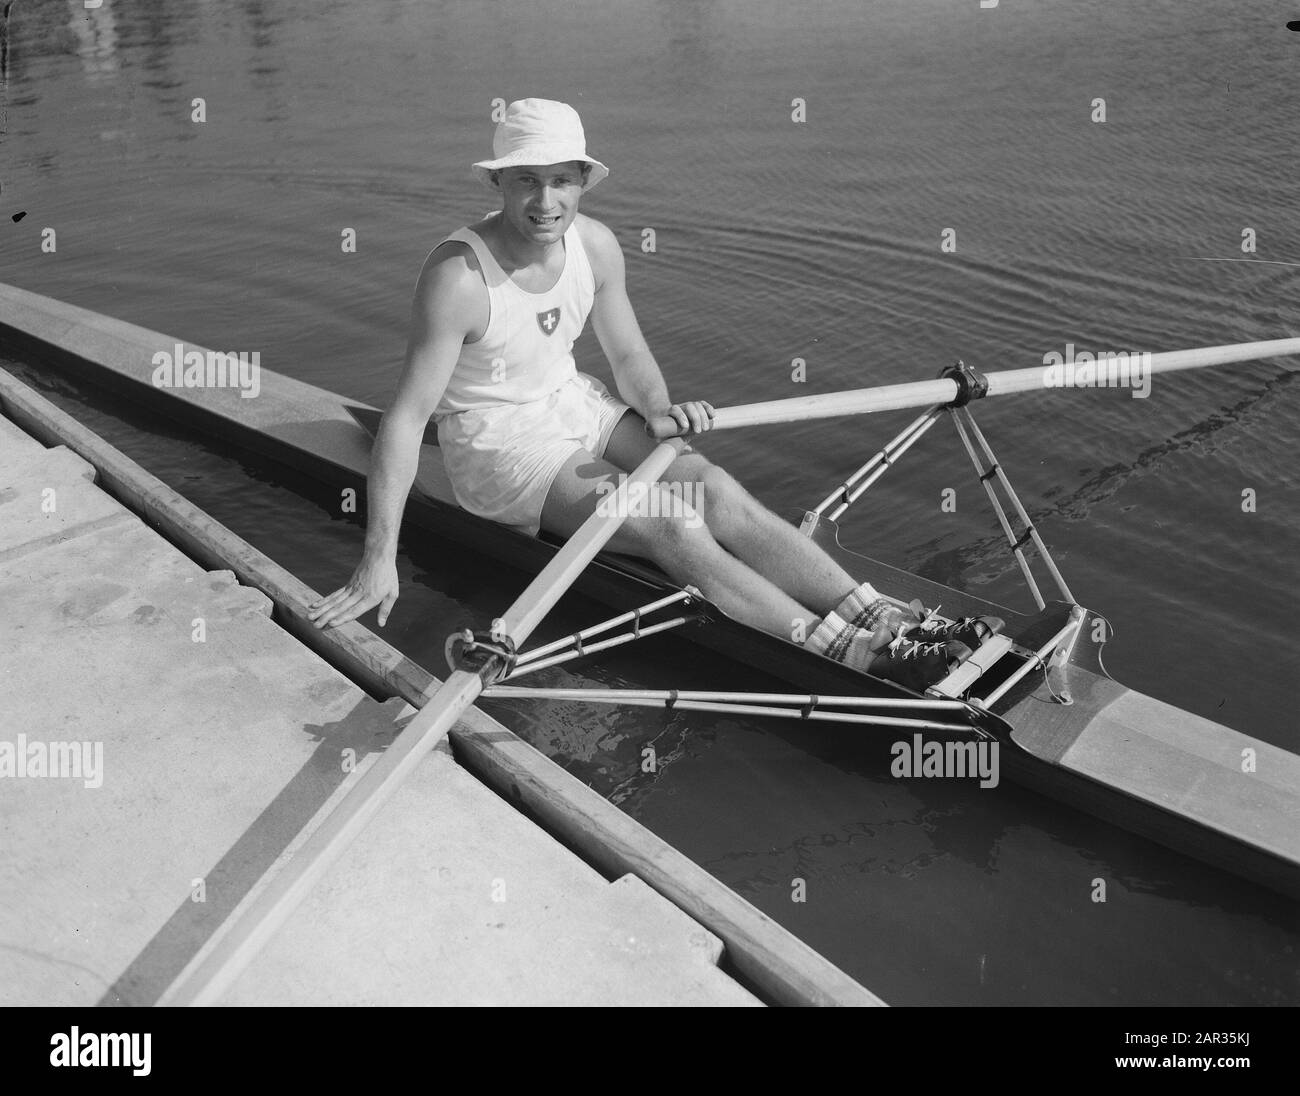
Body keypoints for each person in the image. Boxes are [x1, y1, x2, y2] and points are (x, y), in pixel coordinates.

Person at [309, 98, 992, 689]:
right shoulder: (458, 277)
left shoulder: (598, 247)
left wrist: (662, 411)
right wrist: (378, 559)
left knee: (713, 487)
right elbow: (405, 420)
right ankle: (840, 648)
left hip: (573, 404)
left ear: (582, 181)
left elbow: (628, 353)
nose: (544, 202)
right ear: (500, 184)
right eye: (525, 182)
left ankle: (875, 616)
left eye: (559, 182)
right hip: (499, 444)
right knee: (674, 521)